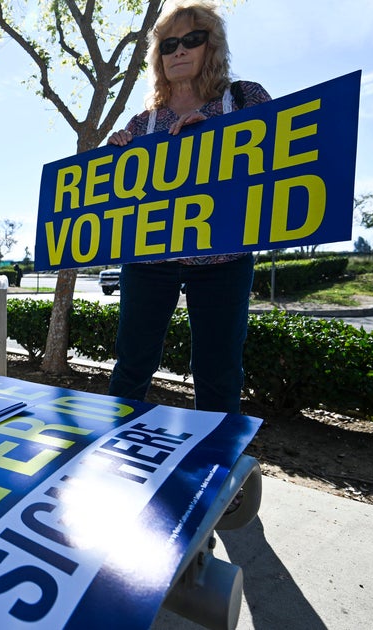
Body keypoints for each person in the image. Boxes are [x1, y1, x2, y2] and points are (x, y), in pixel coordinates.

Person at [105, 1, 270, 414]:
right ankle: (112, 457)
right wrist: (113, 159)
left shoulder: (245, 98)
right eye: (169, 44)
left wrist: (220, 135)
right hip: (149, 260)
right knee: (131, 366)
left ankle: (215, 467)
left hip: (224, 258)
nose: (179, 51)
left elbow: (278, 157)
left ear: (210, 46)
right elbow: (121, 194)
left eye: (192, 40)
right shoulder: (143, 123)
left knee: (218, 370)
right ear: (158, 57)